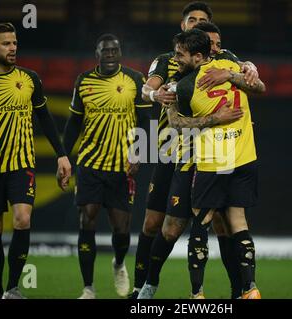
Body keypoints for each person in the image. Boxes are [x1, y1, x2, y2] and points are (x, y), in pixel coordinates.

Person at [130, 1, 260, 299]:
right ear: (183, 24)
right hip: (174, 151)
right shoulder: (169, 59)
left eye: (203, 20)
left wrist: (250, 68)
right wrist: (154, 93)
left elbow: (250, 76)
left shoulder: (225, 59)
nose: (197, 23)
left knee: (223, 224)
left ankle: (236, 291)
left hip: (218, 154)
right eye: (192, 19)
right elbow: (146, 89)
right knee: (161, 225)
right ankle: (145, 286)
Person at [0, 22, 71, 299]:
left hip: (22, 165)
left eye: (15, 43)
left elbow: (45, 118)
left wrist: (62, 154)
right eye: (6, 43)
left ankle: (13, 288)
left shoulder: (30, 78)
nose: (13, 48)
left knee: (22, 219)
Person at [62, 33, 153, 299]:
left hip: (121, 167)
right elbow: (74, 124)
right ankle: (88, 288)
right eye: (105, 50)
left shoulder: (135, 79)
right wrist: (64, 157)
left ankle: (118, 263)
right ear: (97, 54)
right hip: (90, 165)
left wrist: (139, 152)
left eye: (115, 50)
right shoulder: (84, 81)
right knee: (86, 219)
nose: (110, 54)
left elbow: (146, 120)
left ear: (120, 53)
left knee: (121, 229)